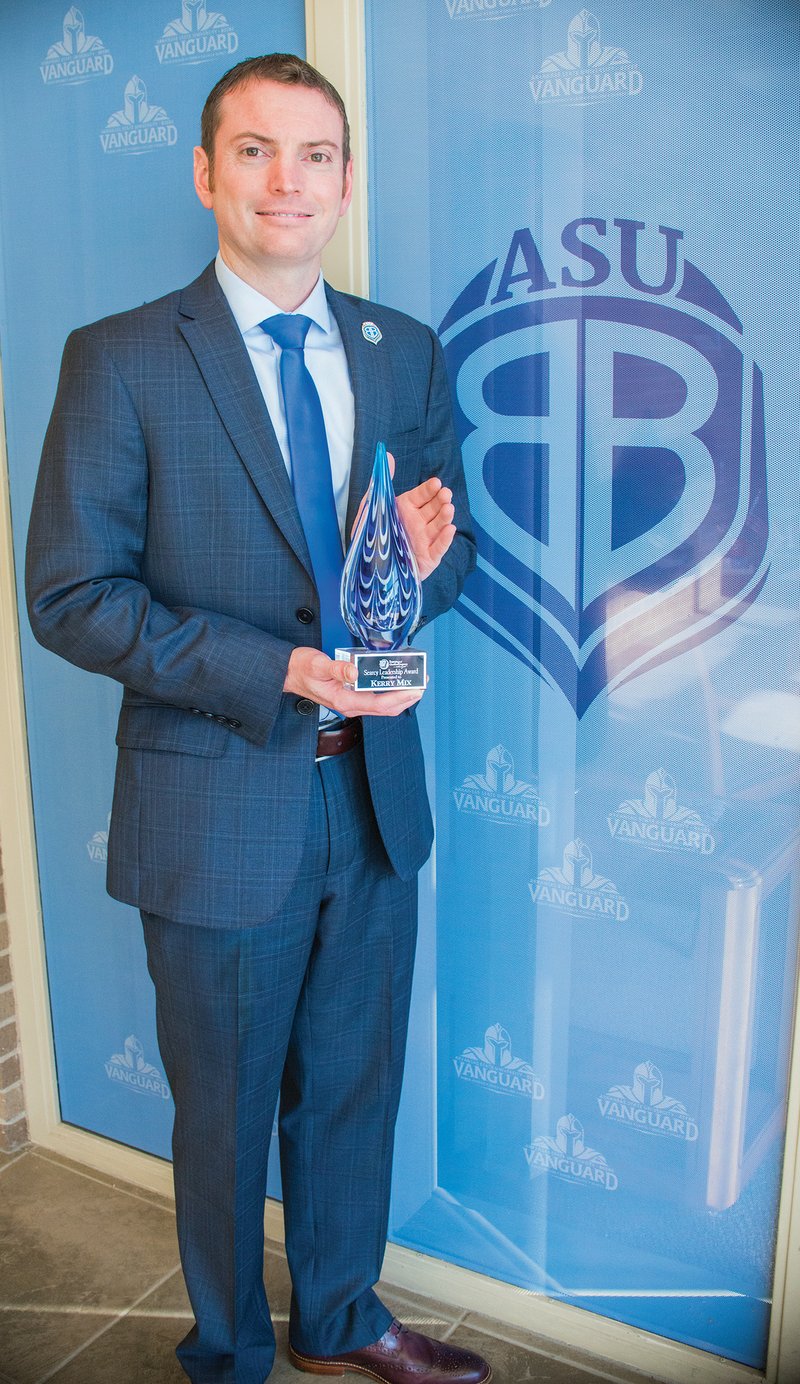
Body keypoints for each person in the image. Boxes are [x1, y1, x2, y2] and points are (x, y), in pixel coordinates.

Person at [26, 53, 488, 1384]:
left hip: (372, 797)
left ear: (346, 178)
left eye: (317, 155)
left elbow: (447, 554)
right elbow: (70, 597)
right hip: (219, 799)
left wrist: (417, 563)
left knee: (353, 1089)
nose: (289, 182)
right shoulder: (120, 360)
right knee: (225, 1112)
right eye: (255, 152)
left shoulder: (403, 352)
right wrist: (277, 669)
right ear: (205, 173)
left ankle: (344, 1314)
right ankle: (227, 1355)